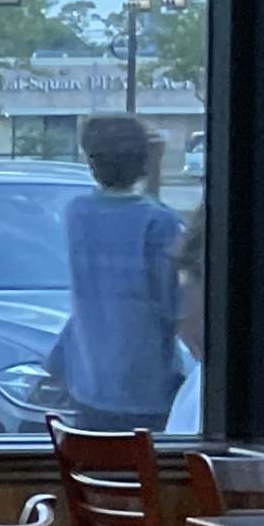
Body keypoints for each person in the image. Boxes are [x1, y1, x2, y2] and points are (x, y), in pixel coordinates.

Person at [52, 113, 186, 428]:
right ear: (143, 160)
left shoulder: (77, 213)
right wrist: (155, 172)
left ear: (91, 162)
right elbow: (171, 304)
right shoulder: (161, 223)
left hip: (89, 380)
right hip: (147, 386)